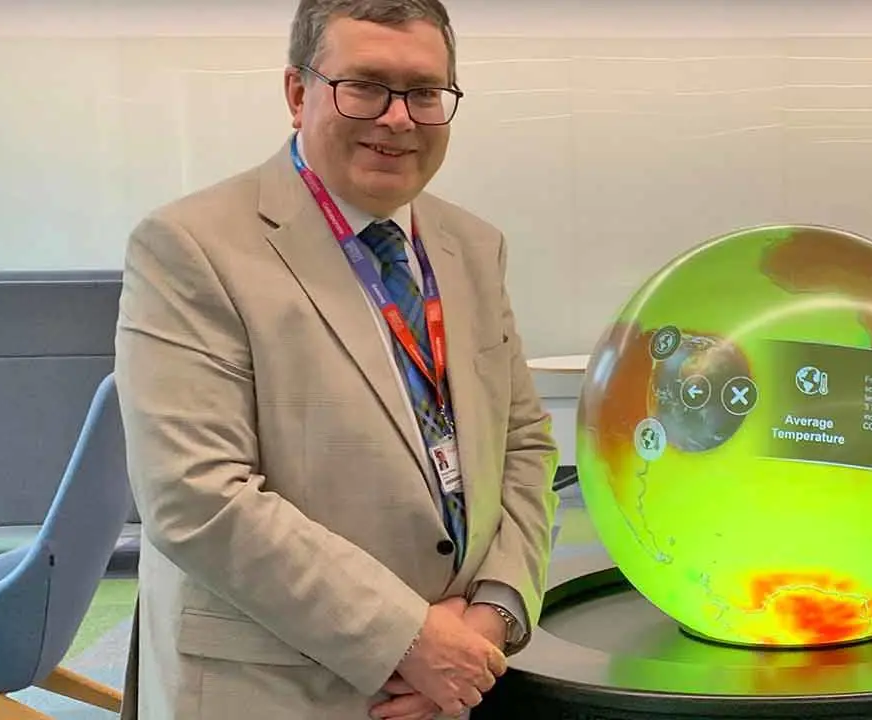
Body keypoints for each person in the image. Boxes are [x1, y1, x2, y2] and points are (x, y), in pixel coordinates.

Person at [113, 1, 560, 718]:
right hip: (273, 688)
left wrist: (491, 617)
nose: (397, 118)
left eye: (423, 92)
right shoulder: (189, 246)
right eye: (365, 85)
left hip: (454, 679)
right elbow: (196, 495)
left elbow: (525, 445)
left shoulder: (472, 246)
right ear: (298, 92)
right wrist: (412, 641)